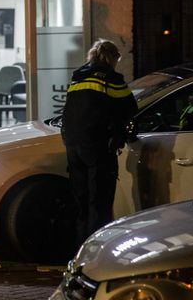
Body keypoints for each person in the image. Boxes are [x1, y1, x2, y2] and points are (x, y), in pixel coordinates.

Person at [60, 39, 137, 246]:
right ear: (112, 58)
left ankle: (79, 248)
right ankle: (97, 251)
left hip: (73, 145)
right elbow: (130, 107)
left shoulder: (78, 76)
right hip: (97, 145)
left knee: (82, 201)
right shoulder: (111, 78)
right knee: (99, 200)